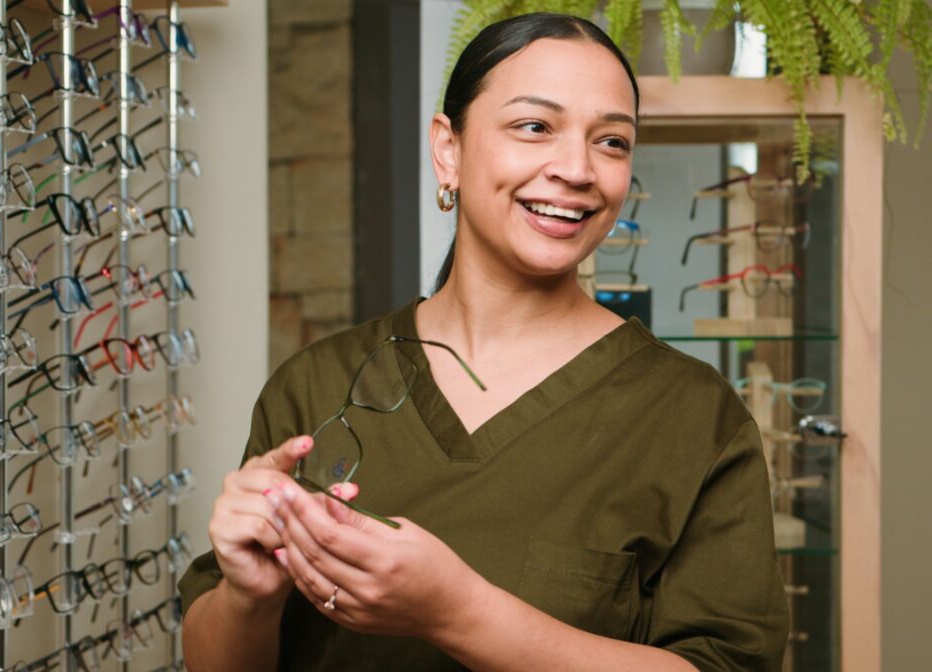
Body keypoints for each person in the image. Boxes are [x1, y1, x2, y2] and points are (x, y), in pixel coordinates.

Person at [179, 13, 789, 672]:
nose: (579, 169)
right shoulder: (317, 386)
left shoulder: (693, 416)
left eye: (612, 141)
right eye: (535, 127)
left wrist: (459, 611)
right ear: (449, 149)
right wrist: (248, 595)